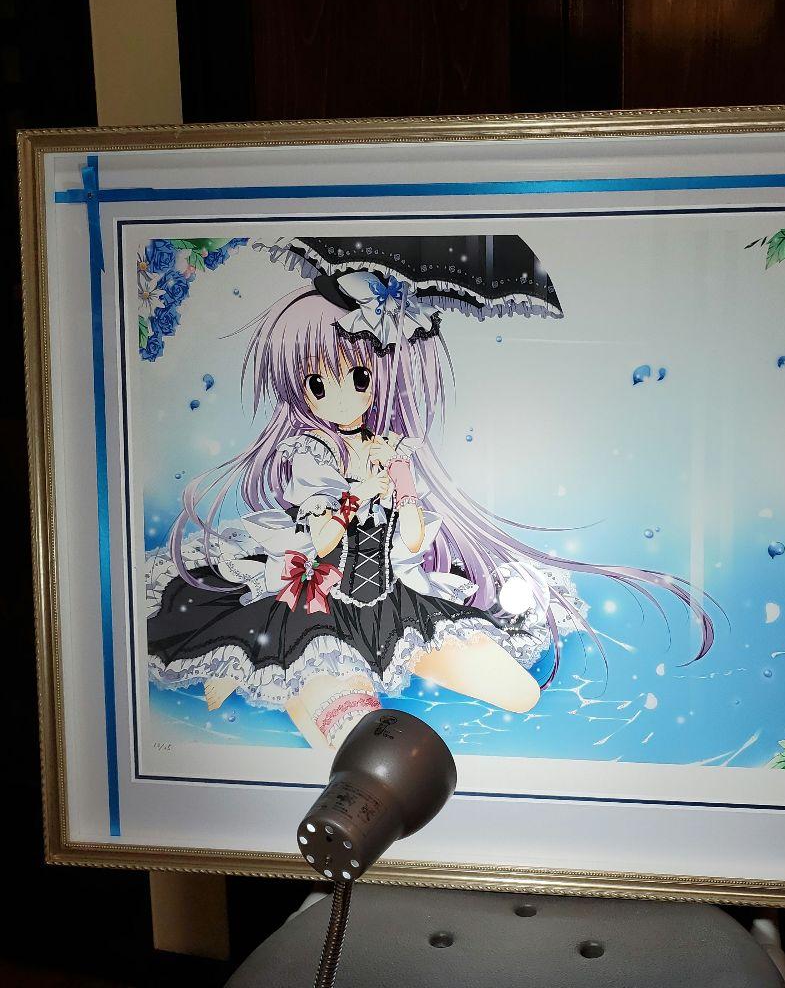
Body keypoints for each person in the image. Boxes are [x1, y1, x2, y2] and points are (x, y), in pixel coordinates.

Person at [147, 276, 717, 748]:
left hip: (390, 593)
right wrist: (356, 492)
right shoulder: (310, 454)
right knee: (350, 738)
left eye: (360, 377)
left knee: (520, 693)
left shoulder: (389, 447)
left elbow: (413, 539)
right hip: (317, 602)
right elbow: (320, 542)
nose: (344, 397)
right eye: (319, 383)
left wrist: (402, 491)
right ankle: (257, 675)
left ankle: (266, 679)